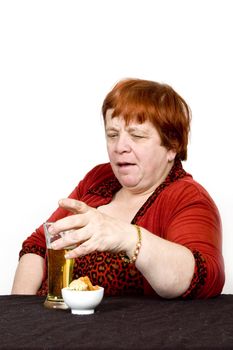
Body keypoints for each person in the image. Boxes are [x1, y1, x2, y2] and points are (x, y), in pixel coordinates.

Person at [11, 78, 225, 299]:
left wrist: (129, 237)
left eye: (137, 136)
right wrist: (21, 313)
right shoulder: (99, 178)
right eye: (112, 135)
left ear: (172, 145)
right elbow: (39, 245)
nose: (119, 147)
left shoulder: (188, 197)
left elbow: (205, 278)